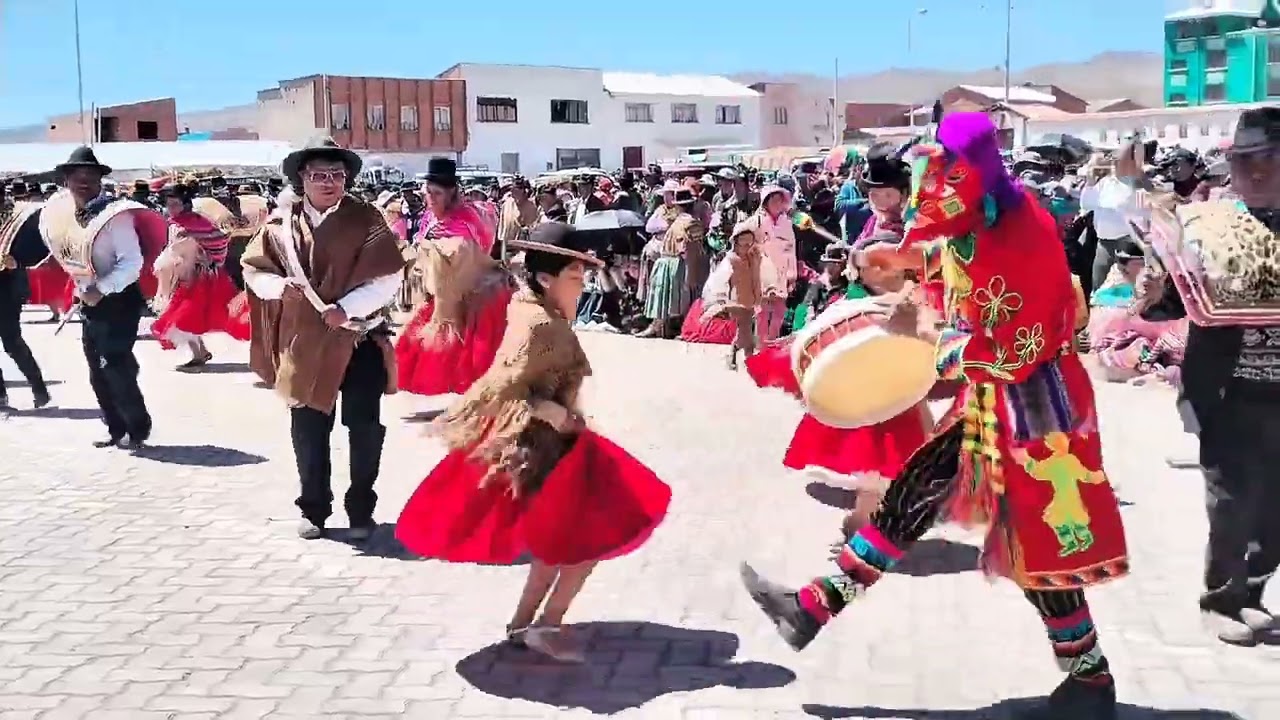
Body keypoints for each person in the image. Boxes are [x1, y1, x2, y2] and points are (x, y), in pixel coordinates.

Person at [740, 113, 1127, 720]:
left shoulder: (1020, 236)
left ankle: (1091, 679)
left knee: (1035, 549)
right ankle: (812, 608)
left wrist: (927, 330)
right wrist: (904, 263)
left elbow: (1010, 352)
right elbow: (954, 257)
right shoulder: (984, 214)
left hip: (1036, 407)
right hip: (997, 404)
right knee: (916, 498)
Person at [396, 222, 670, 661]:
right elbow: (506, 386)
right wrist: (559, 415)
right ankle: (544, 625)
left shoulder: (526, 307)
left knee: (560, 542)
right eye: (575, 278)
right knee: (586, 542)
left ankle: (524, 625)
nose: (582, 286)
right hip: (545, 449)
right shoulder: (539, 325)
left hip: (545, 445)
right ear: (546, 278)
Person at [1141, 107, 1280, 646]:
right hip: (1229, 390)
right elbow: (1179, 297)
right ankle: (1220, 600)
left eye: (1270, 160)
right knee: (1231, 501)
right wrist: (1158, 289)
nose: (1258, 172)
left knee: (1275, 508)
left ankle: (1252, 595)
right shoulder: (1206, 225)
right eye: (1247, 162)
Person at [241, 137, 406, 540]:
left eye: (336, 174)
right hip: (303, 341)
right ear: (303, 178)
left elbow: (389, 277)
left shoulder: (366, 218)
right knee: (308, 427)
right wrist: (279, 288)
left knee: (364, 426)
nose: (329, 182)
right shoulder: (279, 225)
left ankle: (361, 509)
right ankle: (313, 509)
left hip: (358, 337)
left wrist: (346, 308)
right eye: (319, 175)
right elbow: (253, 271)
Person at [38, 146, 167, 449]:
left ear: (100, 180)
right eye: (77, 176)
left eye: (90, 176)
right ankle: (115, 427)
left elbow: (132, 263)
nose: (84, 181)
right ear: (66, 180)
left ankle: (138, 427)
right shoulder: (63, 216)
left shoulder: (114, 217)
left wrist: (102, 289)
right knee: (96, 369)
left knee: (114, 364)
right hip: (88, 301)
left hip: (118, 300)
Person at [395, 158, 514, 398]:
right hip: (439, 289)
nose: (431, 198)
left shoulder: (466, 220)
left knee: (470, 352)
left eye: (436, 193)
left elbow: (471, 254)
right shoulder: (430, 218)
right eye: (428, 192)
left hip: (472, 291)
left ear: (451, 193)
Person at [151, 182, 252, 369]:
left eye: (175, 204)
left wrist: (209, 260)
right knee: (186, 315)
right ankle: (200, 353)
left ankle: (201, 354)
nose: (171, 209)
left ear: (185, 204)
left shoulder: (194, 223)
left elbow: (219, 241)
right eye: (169, 205)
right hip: (186, 277)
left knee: (185, 315)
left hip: (201, 279)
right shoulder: (179, 224)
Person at [0, 197, 51, 409]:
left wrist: (18, 261)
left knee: (11, 341)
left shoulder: (22, 218)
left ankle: (38, 386)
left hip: (7, 287)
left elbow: (42, 248)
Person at [638, 188, 702, 338]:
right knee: (667, 299)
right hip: (670, 262)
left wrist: (690, 272)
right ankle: (660, 326)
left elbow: (689, 249)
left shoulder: (688, 222)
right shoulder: (686, 221)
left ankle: (685, 329)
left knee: (681, 299)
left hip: (676, 262)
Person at [753, 185, 797, 343]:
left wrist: (792, 273)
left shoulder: (787, 223)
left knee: (779, 309)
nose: (778, 203)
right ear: (766, 202)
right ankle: (761, 344)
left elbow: (792, 248)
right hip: (763, 270)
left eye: (780, 200)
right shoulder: (757, 222)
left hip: (782, 270)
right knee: (762, 310)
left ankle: (771, 342)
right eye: (774, 200)